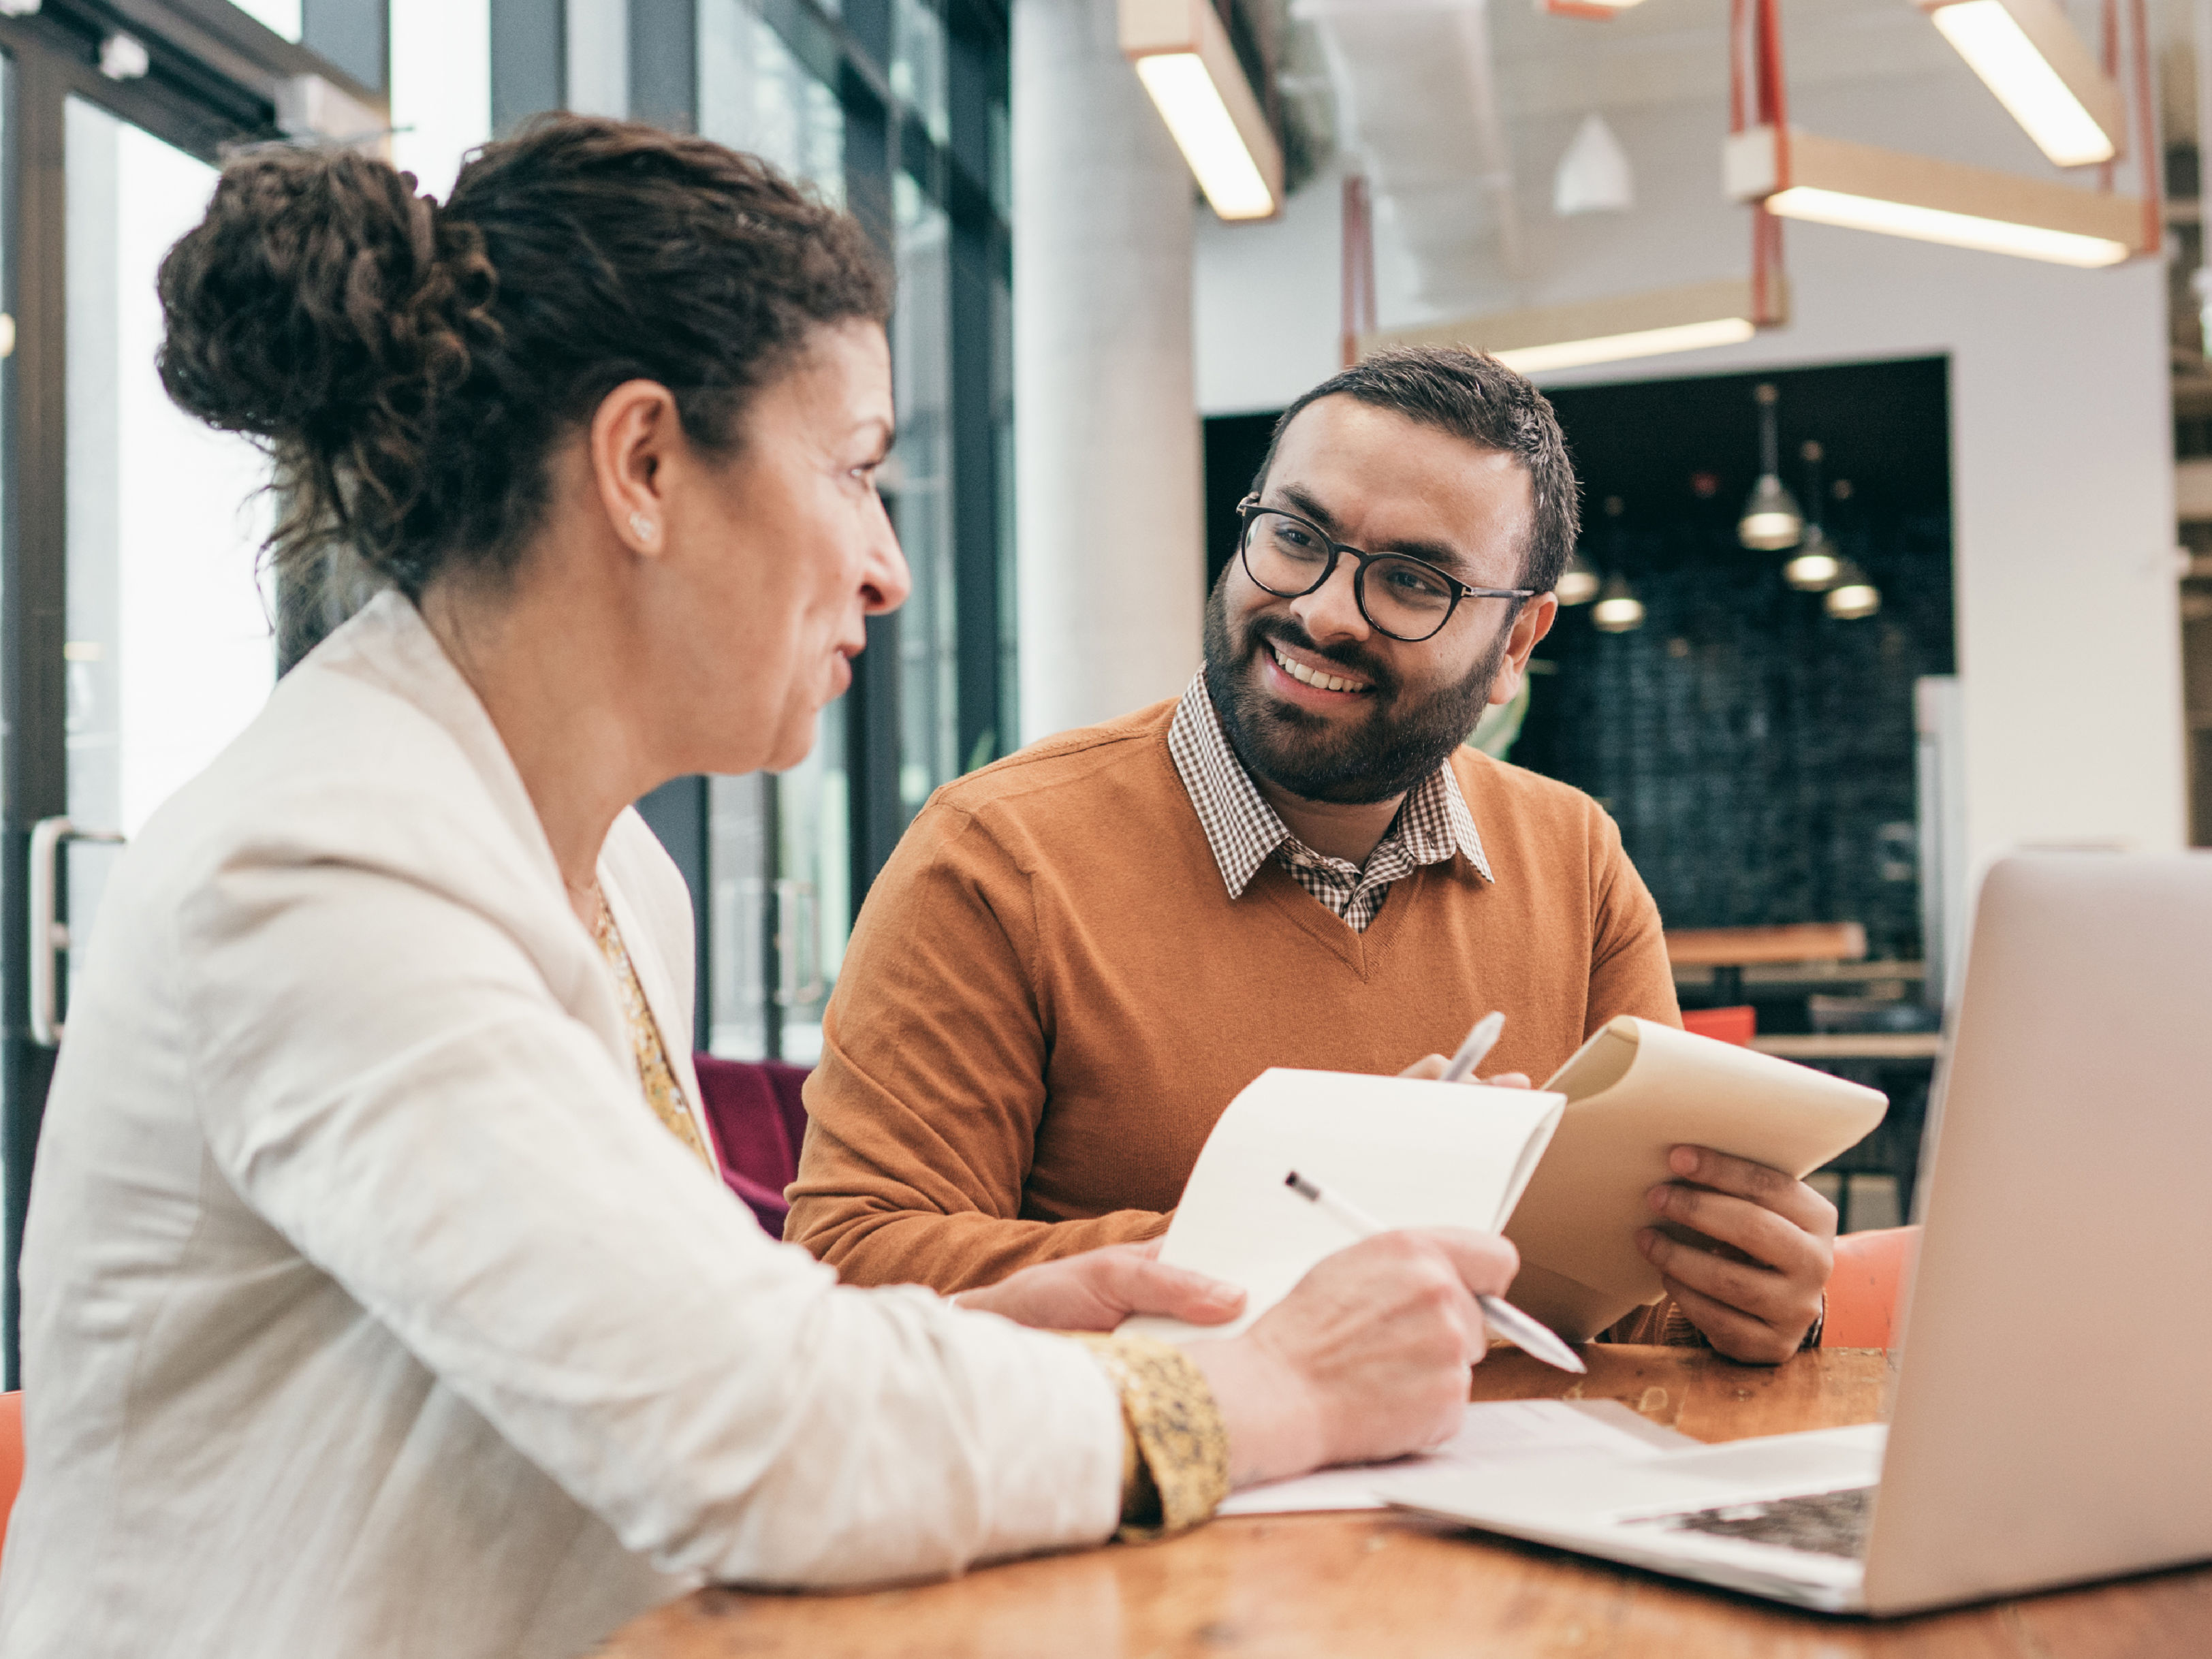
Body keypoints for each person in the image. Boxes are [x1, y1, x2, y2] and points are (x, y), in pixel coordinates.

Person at [0, 122, 1526, 1659]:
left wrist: (969, 1334)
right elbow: (752, 1445)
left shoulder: (608, 874)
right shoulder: (321, 870)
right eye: (857, 474)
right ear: (645, 465)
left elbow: (650, 1350)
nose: (888, 569)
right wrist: (1269, 1389)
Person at [787, 347, 1837, 1364]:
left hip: (1517, 1505)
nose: (1324, 610)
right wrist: (1304, 1228)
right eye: (1295, 535)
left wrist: (1746, 1296)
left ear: (1516, 646)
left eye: (1416, 581)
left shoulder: (1576, 861)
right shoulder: (995, 854)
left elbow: (1623, 1304)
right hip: (1174, 1518)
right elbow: (851, 1267)